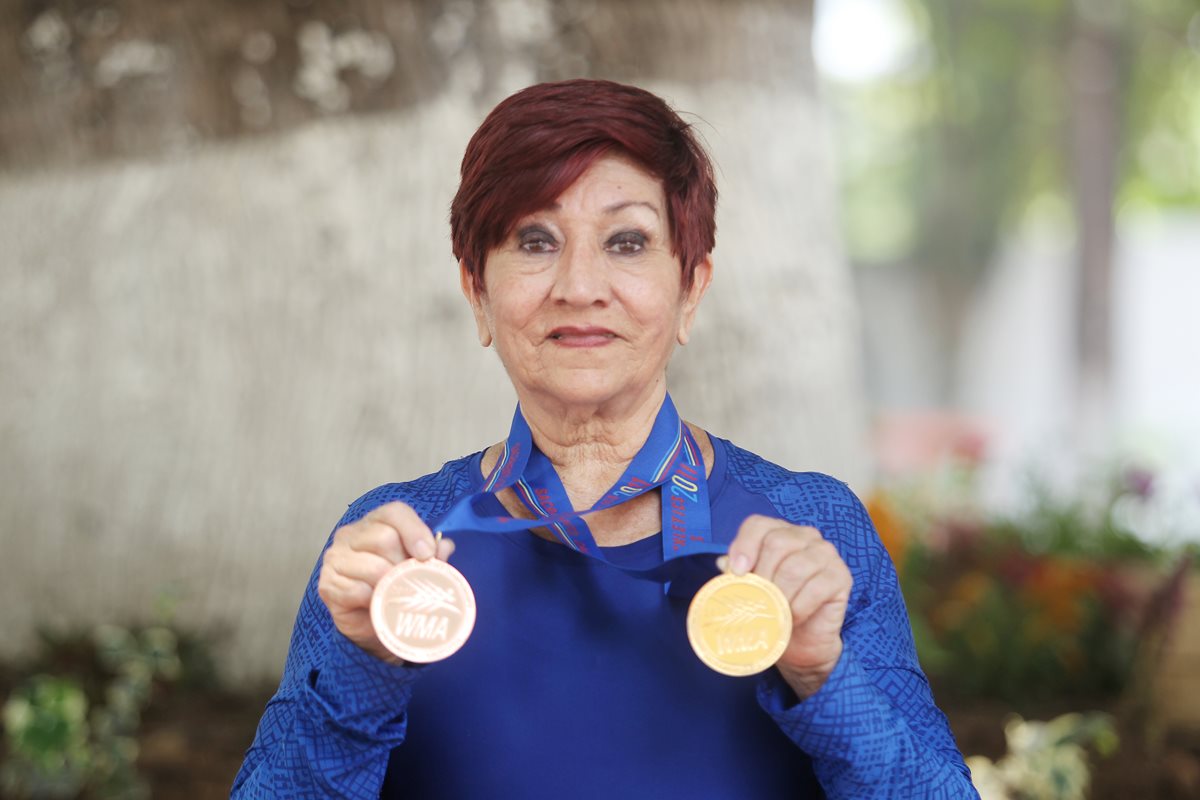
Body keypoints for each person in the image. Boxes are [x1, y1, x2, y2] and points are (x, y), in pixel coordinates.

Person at [232, 78, 978, 799]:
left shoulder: (812, 528)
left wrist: (823, 676)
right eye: (534, 240)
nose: (579, 285)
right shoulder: (393, 550)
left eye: (626, 241)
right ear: (477, 292)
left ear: (690, 289)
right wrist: (365, 664)